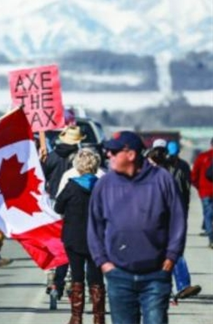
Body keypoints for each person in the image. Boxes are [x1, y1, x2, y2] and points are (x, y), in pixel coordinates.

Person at [88, 131, 187, 324]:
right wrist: (103, 262)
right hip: (118, 275)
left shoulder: (162, 179)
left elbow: (177, 220)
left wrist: (171, 257)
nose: (108, 155)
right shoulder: (104, 184)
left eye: (114, 152)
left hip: (156, 274)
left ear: (131, 155)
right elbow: (94, 226)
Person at [54, 148, 105, 324]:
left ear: (78, 166)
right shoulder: (102, 186)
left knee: (77, 277)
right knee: (96, 278)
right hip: (96, 238)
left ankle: (76, 317)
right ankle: (99, 318)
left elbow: (58, 208)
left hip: (73, 237)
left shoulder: (71, 185)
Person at [146, 145, 202, 300]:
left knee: (170, 252)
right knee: (171, 252)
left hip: (163, 218)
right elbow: (186, 189)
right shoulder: (177, 169)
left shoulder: (154, 175)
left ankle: (175, 286)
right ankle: (177, 286)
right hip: (170, 216)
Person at [43, 125, 86, 298]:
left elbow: (42, 177)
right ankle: (69, 278)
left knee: (55, 240)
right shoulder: (79, 158)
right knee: (72, 240)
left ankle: (53, 274)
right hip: (74, 202)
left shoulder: (51, 156)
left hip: (53, 202)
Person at [190, 137, 213, 249]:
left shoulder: (202, 157)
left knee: (208, 215)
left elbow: (194, 175)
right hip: (205, 191)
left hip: (205, 191)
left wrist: (199, 187)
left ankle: (211, 238)